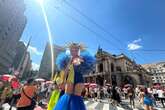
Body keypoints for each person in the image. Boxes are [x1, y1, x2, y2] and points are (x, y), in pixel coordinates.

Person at [54, 43, 95, 110]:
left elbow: (83, 68)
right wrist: (63, 81)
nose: (74, 50)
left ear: (78, 50)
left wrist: (79, 60)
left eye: (76, 49)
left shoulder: (81, 58)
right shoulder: (67, 59)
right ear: (70, 50)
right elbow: (65, 71)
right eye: (72, 49)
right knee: (67, 96)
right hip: (70, 78)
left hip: (79, 79)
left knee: (76, 97)